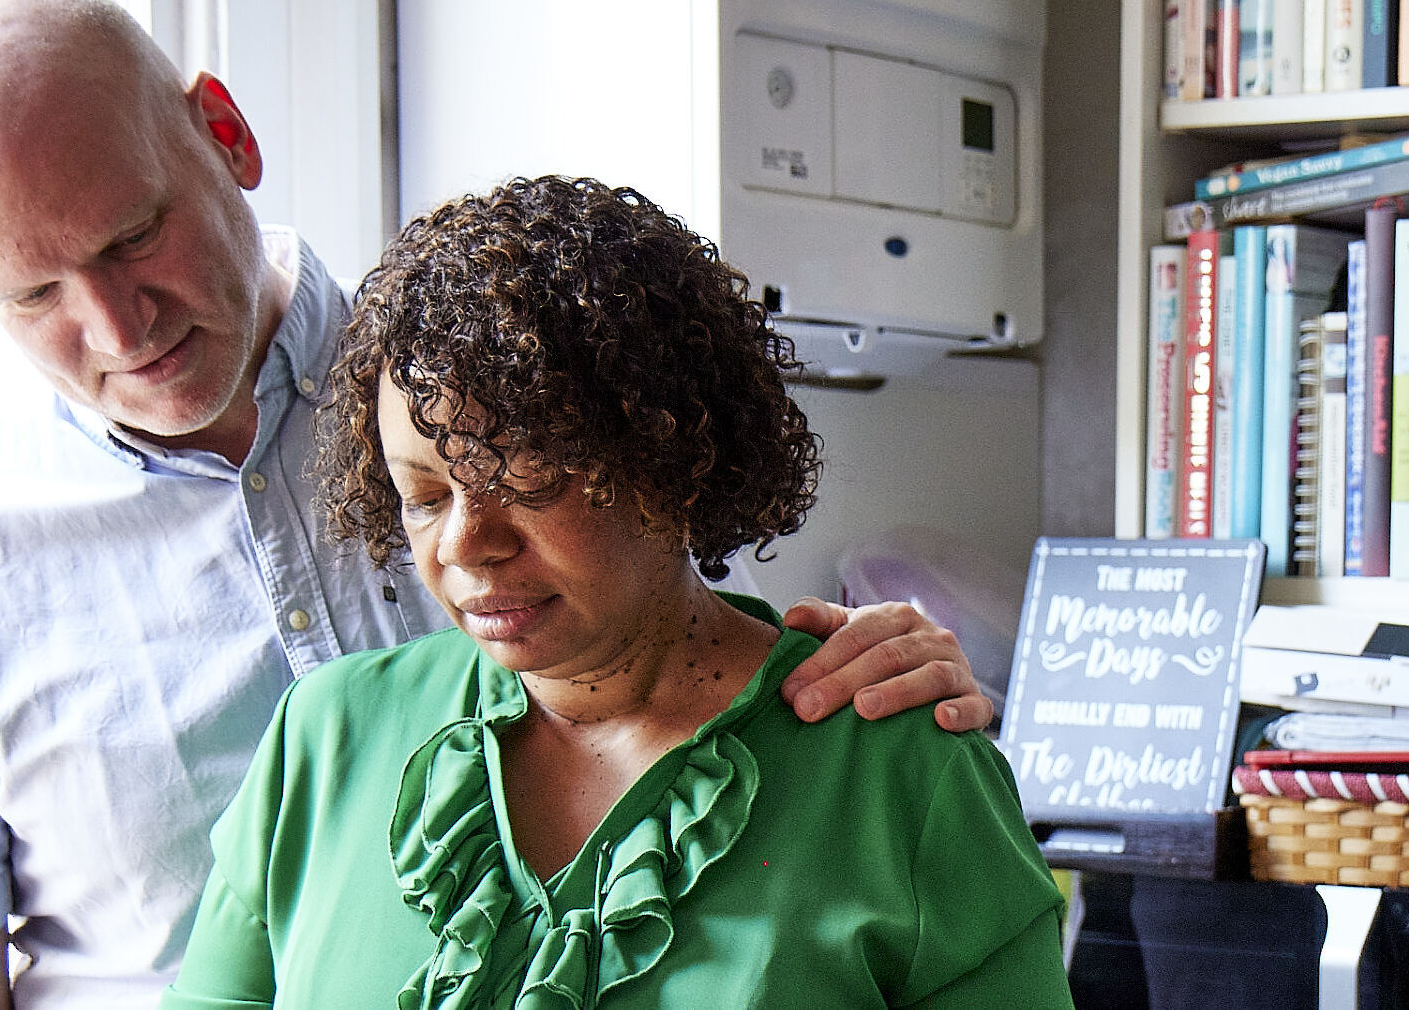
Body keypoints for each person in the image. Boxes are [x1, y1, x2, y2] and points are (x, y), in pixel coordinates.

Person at [0, 0, 998, 1008]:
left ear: (227, 135)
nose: (116, 327)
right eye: (33, 294)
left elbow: (679, 636)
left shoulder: (486, 361)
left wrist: (869, 679)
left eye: (137, 237)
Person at [160, 175, 1069, 1010]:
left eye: (527, 480)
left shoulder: (899, 774)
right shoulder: (323, 742)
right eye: (425, 497)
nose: (468, 544)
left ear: (673, 460)